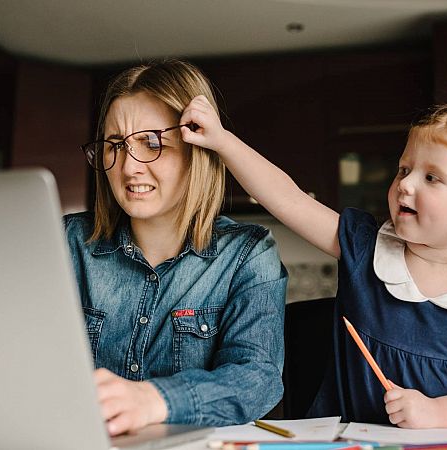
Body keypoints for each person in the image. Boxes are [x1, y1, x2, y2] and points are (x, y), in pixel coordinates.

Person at [180, 96, 447, 428]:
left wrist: (439, 414)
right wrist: (222, 141)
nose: (405, 184)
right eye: (404, 170)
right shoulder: (365, 247)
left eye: (431, 178)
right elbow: (289, 200)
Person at [63, 60, 287, 436]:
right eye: (115, 145)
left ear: (197, 150)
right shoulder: (69, 243)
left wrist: (155, 400)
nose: (129, 167)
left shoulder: (247, 254)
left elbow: (257, 379)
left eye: (152, 143)